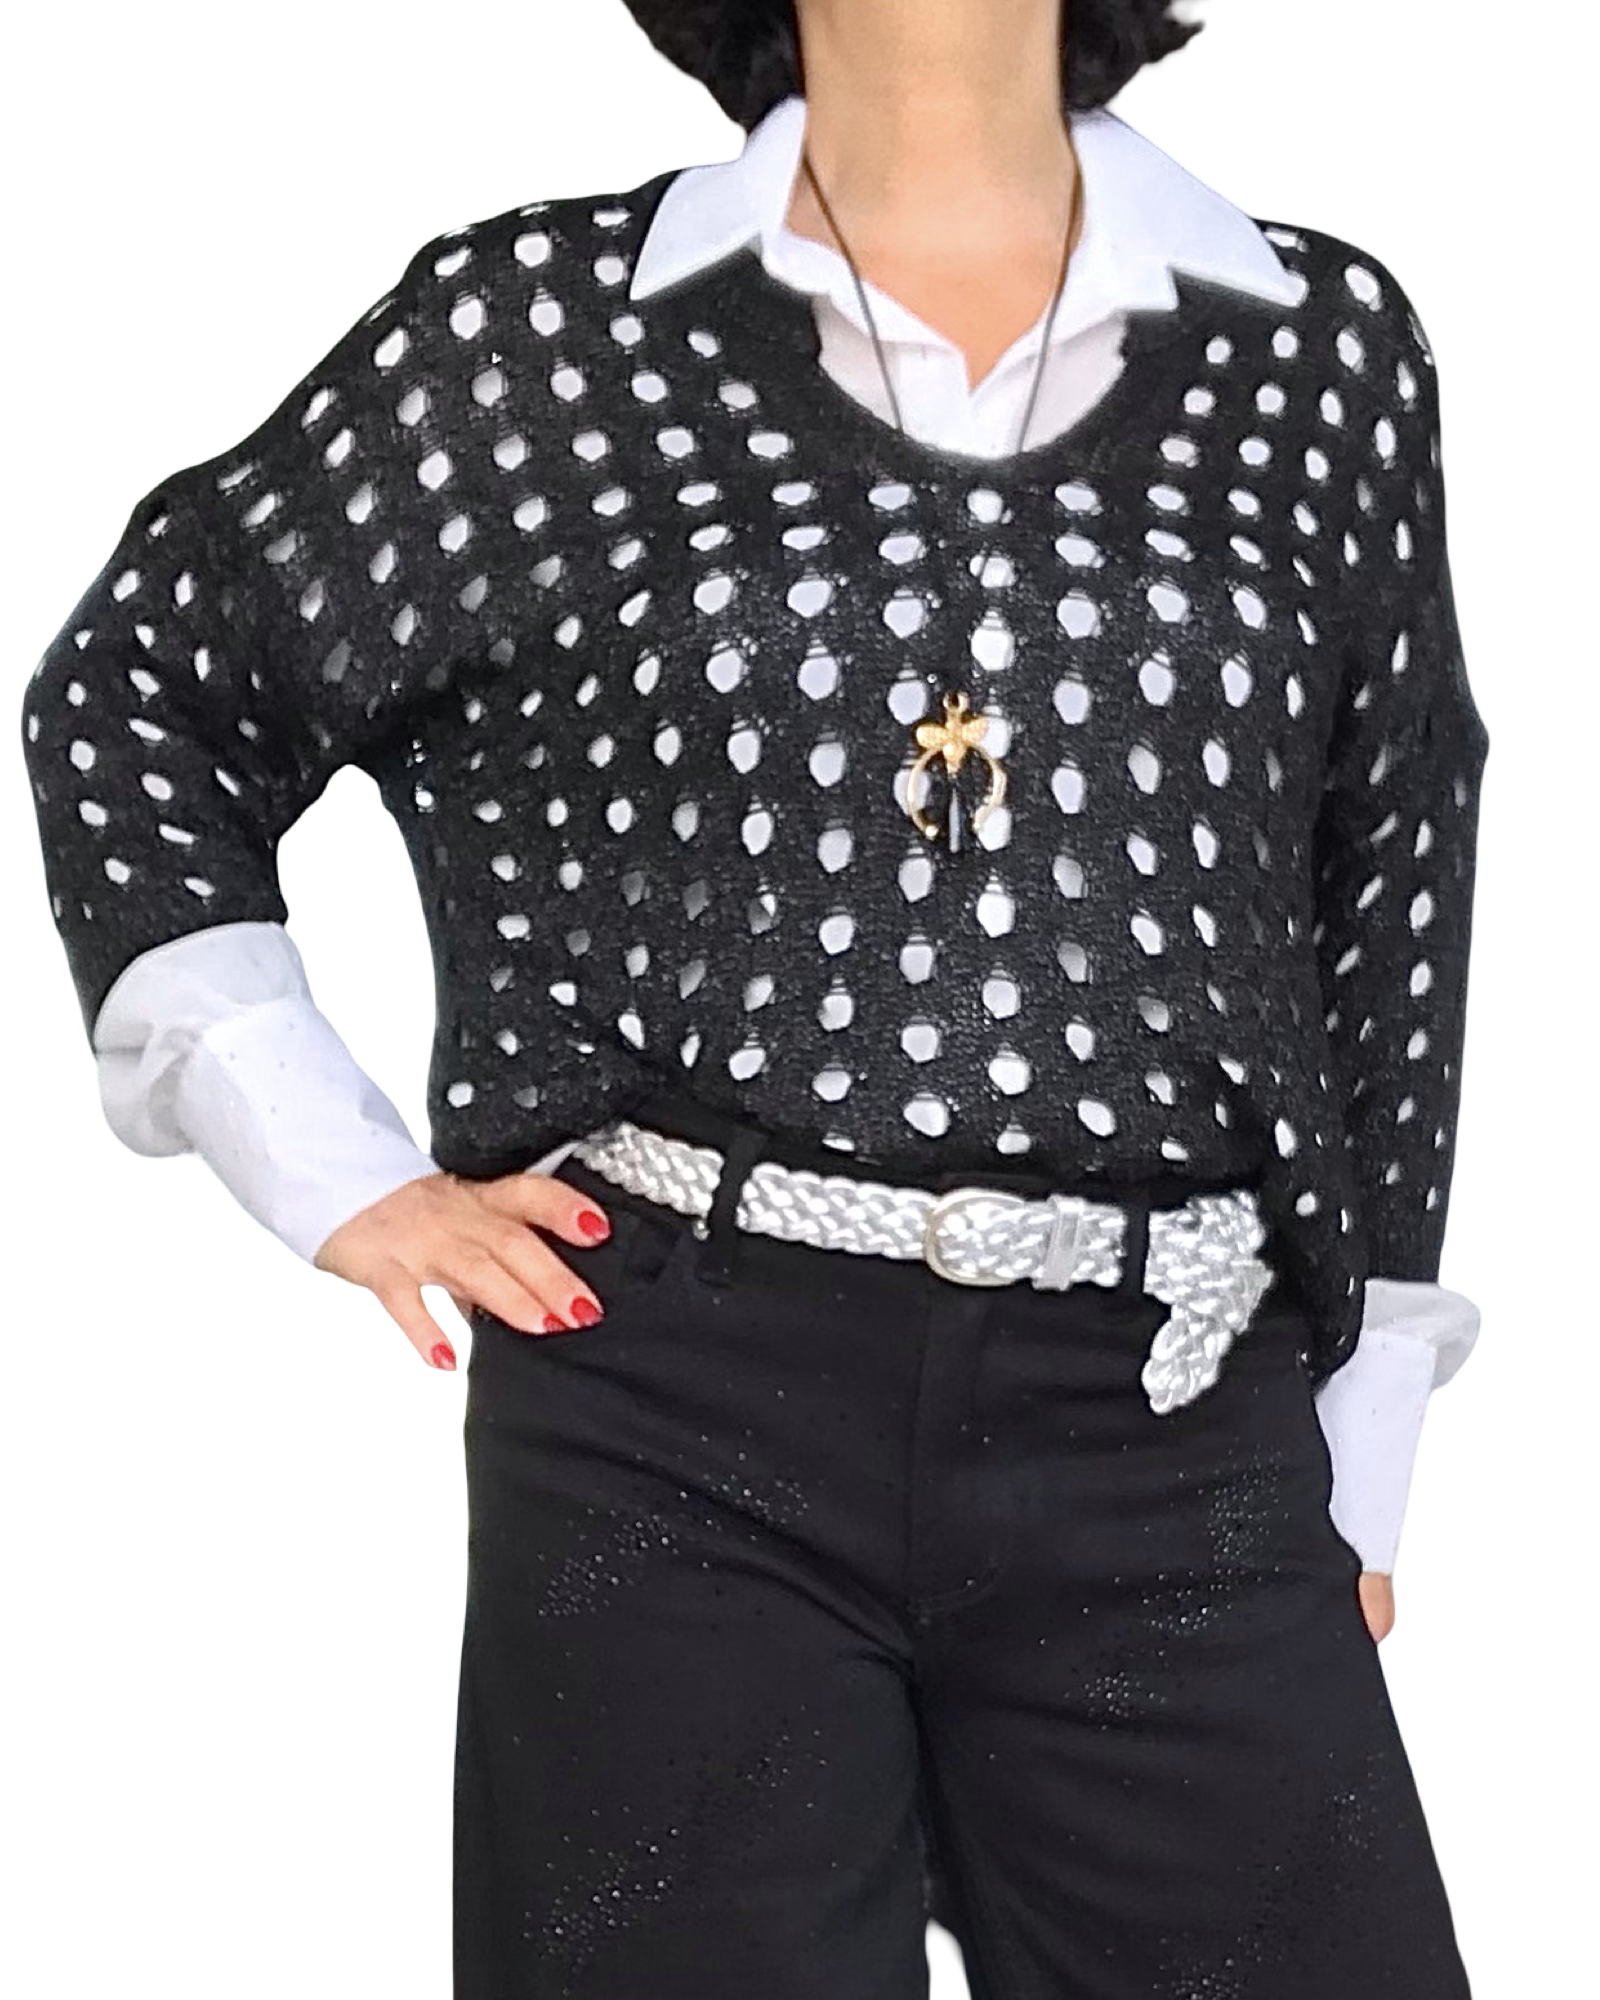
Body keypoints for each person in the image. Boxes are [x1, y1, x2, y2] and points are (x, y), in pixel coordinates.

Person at [18, 1, 1488, 1992]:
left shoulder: (1314, 348)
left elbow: (1389, 868)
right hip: (678, 1411)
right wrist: (325, 1159)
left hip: (1169, 1414)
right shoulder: (547, 340)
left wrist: (1360, 1430)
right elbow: (150, 686)